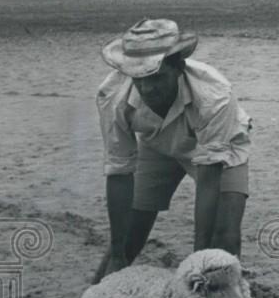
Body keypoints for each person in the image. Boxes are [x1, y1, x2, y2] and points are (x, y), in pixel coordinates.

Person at [92, 18, 252, 283]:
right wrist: (118, 253)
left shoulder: (214, 94)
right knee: (126, 241)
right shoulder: (113, 96)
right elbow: (120, 172)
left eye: (157, 78)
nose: (148, 89)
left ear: (178, 68)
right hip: (156, 143)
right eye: (140, 80)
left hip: (222, 147)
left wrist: (198, 258)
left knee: (222, 242)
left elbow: (209, 178)